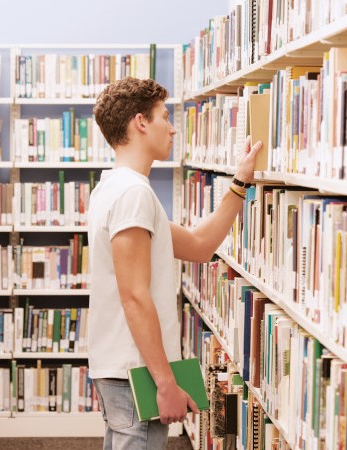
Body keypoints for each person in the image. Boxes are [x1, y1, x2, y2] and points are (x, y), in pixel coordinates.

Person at [87, 77, 263, 450]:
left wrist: (240, 182)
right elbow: (134, 296)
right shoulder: (133, 194)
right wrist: (165, 384)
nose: (172, 127)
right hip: (137, 372)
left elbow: (200, 245)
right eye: (164, 116)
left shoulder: (115, 189)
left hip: (124, 368)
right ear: (140, 122)